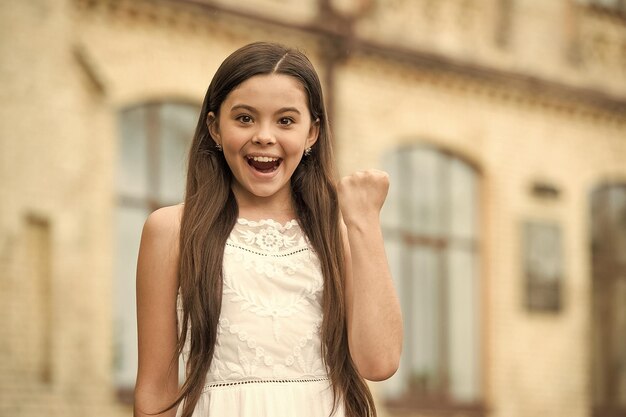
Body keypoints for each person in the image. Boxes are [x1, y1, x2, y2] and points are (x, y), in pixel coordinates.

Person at [133, 41, 403, 417]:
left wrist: (364, 222)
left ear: (312, 133)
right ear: (214, 127)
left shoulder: (335, 233)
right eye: (244, 118)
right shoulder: (172, 230)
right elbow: (153, 393)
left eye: (286, 121)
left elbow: (380, 362)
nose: (264, 135)